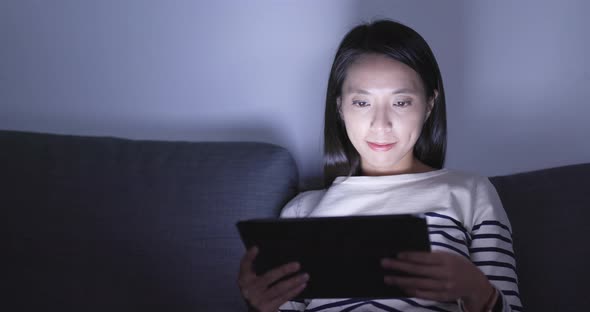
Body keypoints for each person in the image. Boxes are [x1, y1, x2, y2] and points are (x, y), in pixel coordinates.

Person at [237, 19, 522, 312]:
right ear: (340, 107)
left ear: (429, 105)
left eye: (401, 102)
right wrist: (262, 307)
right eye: (362, 103)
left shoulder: (470, 193)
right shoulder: (301, 212)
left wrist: (477, 290)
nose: (381, 124)